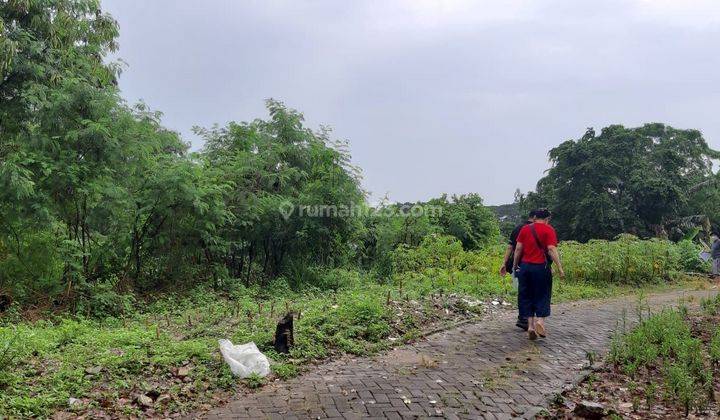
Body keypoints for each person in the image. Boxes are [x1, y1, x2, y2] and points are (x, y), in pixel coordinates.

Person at [512, 209, 564, 340]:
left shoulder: (525, 229)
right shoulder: (549, 230)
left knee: (526, 295)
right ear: (547, 219)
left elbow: (518, 249)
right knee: (542, 294)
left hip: (525, 267)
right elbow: (551, 249)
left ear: (535, 218)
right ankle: (540, 321)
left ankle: (530, 326)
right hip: (541, 268)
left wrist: (515, 265)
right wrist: (559, 267)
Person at [500, 210, 536, 330]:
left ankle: (523, 317)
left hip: (517, 266)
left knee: (522, 291)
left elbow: (510, 247)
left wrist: (504, 263)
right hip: (531, 264)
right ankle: (526, 318)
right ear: (535, 217)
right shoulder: (536, 229)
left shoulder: (517, 228)